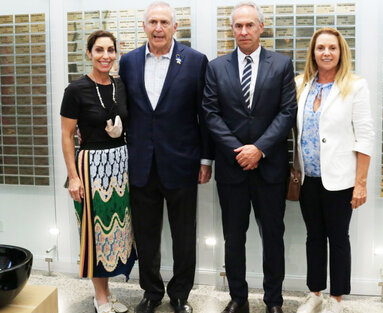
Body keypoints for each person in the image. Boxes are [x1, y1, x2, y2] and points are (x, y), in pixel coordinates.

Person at [118, 2, 213, 313]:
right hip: (141, 164)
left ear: (175, 27)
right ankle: (151, 291)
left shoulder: (196, 61)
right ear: (144, 26)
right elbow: (124, 110)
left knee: (184, 234)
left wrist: (205, 159)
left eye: (164, 22)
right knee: (145, 235)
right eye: (152, 22)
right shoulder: (129, 62)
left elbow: (205, 114)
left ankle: (181, 294)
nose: (158, 28)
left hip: (183, 163)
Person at [202, 2, 297, 313]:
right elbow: (211, 114)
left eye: (249, 25)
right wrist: (238, 150)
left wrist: (259, 149)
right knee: (233, 237)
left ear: (261, 27)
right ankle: (238, 299)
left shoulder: (282, 65)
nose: (243, 31)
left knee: (273, 236)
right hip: (232, 169)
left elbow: (286, 113)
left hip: (270, 168)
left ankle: (273, 301)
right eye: (238, 26)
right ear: (232, 30)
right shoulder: (216, 68)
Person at [294, 28, 374, 313]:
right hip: (308, 178)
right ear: (313, 53)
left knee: (338, 238)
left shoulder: (354, 85)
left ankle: (337, 299)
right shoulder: (301, 84)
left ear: (341, 52)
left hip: (340, 179)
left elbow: (365, 135)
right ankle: (315, 293)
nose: (326, 53)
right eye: (320, 48)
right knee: (313, 237)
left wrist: (360, 183)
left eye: (332, 48)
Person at [61, 30, 136, 313]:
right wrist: (74, 177)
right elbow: (67, 136)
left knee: (115, 231)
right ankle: (99, 296)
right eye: (99, 50)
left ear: (116, 54)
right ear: (89, 53)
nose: (106, 56)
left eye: (110, 50)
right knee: (94, 232)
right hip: (91, 166)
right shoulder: (75, 90)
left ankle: (108, 291)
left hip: (120, 166)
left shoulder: (120, 86)